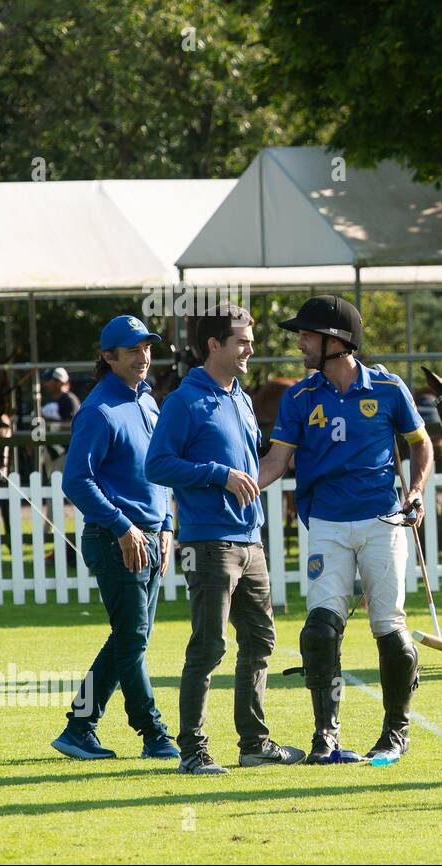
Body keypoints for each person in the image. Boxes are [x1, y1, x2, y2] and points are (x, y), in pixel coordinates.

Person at [257, 295, 432, 764]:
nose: (300, 344)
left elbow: (421, 444)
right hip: (328, 524)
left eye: (308, 335)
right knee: (319, 629)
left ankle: (395, 731)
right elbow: (276, 461)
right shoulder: (298, 397)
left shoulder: (390, 390)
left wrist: (415, 490)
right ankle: (325, 737)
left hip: (383, 521)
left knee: (389, 629)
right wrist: (240, 485)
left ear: (337, 341)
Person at [146, 304, 305, 775]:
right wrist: (219, 474)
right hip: (208, 543)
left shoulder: (241, 396)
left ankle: (254, 743)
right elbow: (157, 466)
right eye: (241, 340)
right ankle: (193, 751)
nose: (251, 348)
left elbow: (256, 465)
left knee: (260, 641)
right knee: (209, 645)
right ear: (213, 344)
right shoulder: (182, 401)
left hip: (250, 540)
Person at [51, 316, 178, 761]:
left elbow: (160, 472)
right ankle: (153, 732)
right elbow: (77, 481)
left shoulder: (147, 399)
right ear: (108, 357)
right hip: (115, 539)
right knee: (132, 639)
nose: (143, 357)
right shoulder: (98, 410)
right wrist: (124, 526)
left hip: (146, 537)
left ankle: (79, 726)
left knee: (128, 639)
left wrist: (164, 528)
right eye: (132, 350)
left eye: (146, 348)